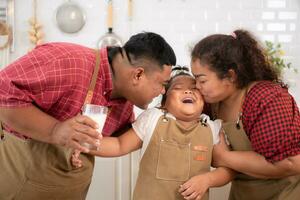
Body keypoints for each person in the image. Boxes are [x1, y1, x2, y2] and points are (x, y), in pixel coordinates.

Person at [0, 32, 176, 200]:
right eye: (162, 84)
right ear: (138, 74)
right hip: (22, 186)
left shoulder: (125, 102)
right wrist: (55, 130)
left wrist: (160, 121)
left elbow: (118, 143)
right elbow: (3, 92)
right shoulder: (68, 60)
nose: (162, 91)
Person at [72, 67, 235, 200]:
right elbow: (119, 145)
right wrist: (84, 143)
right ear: (164, 103)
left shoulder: (212, 127)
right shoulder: (153, 118)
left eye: (194, 89)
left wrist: (207, 180)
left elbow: (227, 169)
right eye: (178, 88)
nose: (188, 92)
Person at [191, 29, 300, 200]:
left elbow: (291, 163)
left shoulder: (265, 98)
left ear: (230, 75)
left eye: (202, 80)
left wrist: (224, 157)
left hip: (285, 193)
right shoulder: (211, 103)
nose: (197, 86)